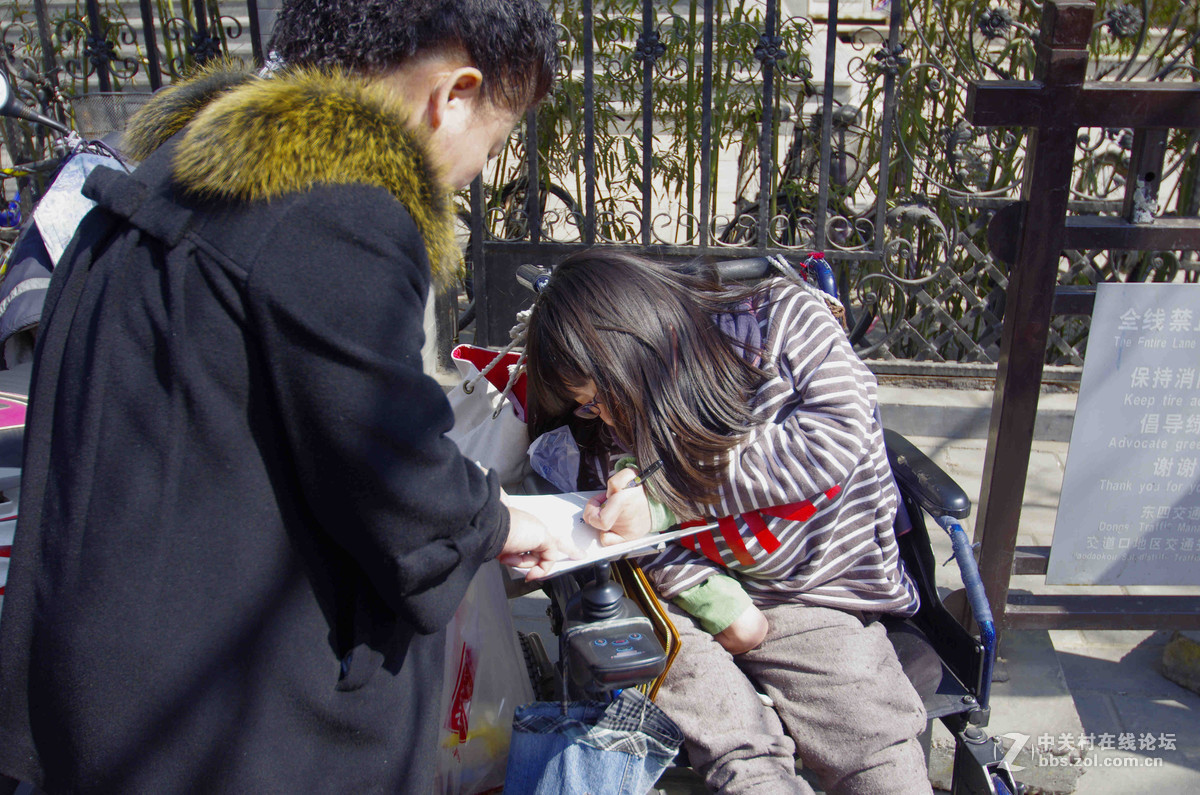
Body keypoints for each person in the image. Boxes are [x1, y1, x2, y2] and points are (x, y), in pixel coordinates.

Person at [0, 1, 566, 792]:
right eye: (494, 142)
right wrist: (503, 519)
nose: (475, 170)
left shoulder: (165, 173)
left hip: (112, 693)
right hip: (229, 728)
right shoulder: (336, 210)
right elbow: (393, 475)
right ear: (455, 94)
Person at [524, 250, 933, 794]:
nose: (603, 416)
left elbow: (834, 436)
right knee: (717, 722)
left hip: (815, 589)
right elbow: (635, 541)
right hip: (688, 595)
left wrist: (668, 499)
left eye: (601, 395)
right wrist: (716, 598)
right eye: (586, 406)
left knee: (870, 736)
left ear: (644, 348)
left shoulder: (784, 321)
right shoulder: (614, 431)